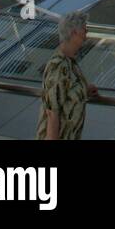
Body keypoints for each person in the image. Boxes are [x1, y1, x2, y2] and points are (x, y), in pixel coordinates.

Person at [37, 12, 97, 141]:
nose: (86, 35)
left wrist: (84, 90)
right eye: (84, 30)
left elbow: (67, 92)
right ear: (74, 32)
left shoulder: (70, 62)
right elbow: (52, 112)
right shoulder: (57, 66)